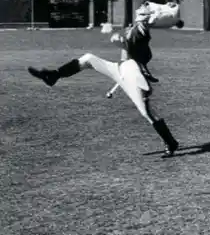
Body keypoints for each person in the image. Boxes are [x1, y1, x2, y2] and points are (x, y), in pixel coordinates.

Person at [27, 35, 179, 158]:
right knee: (88, 59)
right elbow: (121, 42)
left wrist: (121, 41)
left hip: (131, 73)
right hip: (117, 67)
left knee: (147, 113)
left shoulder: (142, 37)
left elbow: (128, 46)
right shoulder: (136, 29)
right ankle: (55, 75)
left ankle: (170, 142)